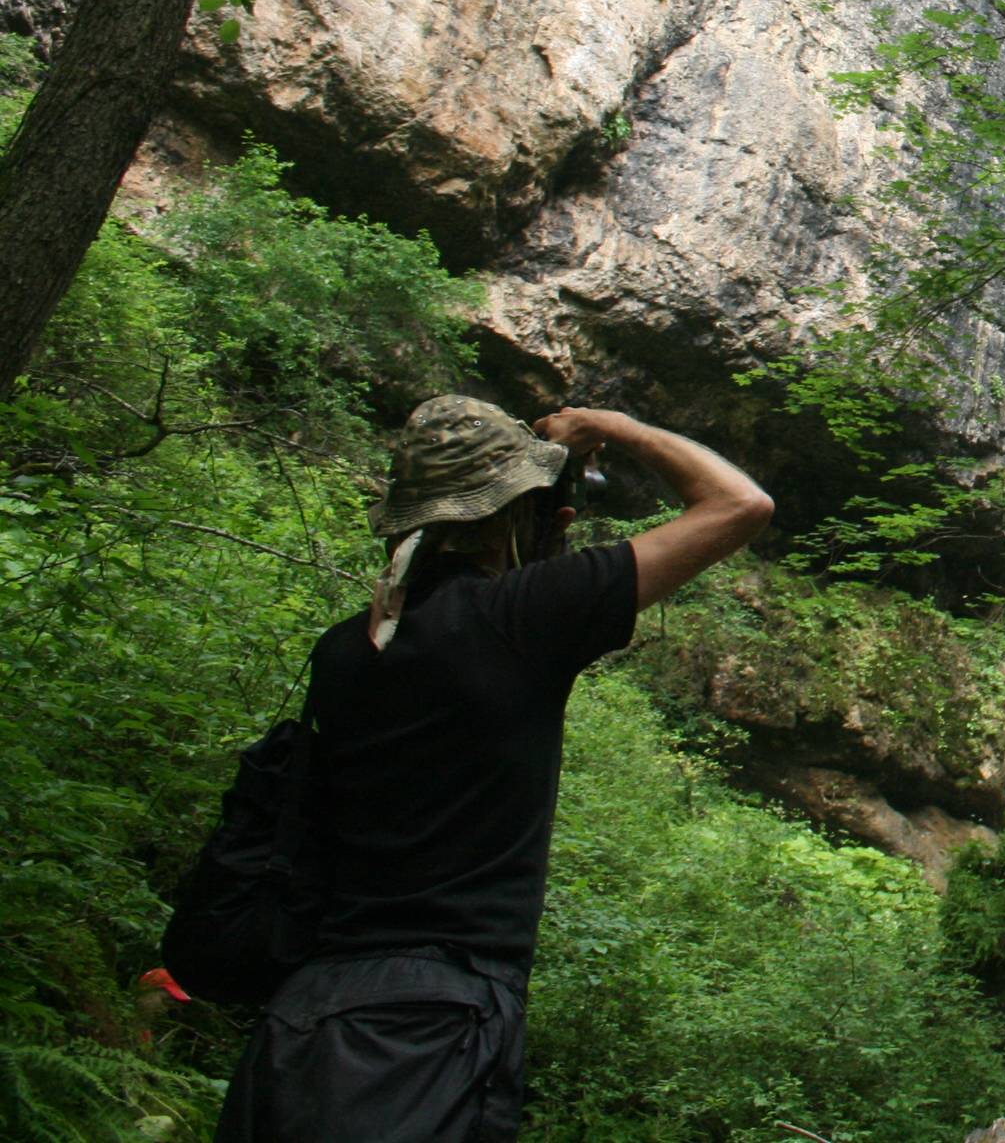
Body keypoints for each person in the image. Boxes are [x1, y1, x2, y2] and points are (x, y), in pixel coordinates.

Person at [213, 395, 774, 1143]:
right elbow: (740, 503)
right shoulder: (518, 618)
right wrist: (612, 426)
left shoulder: (346, 649)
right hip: (425, 1028)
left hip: (301, 1016)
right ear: (517, 510)